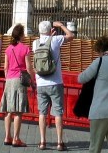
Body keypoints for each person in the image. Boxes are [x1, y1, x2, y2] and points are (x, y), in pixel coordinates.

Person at [32, 19, 74, 150]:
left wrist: (50, 35)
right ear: (50, 30)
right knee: (58, 113)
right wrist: (61, 25)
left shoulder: (35, 43)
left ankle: (42, 141)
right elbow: (71, 36)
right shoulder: (56, 40)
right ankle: (59, 142)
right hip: (55, 82)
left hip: (40, 82)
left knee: (42, 113)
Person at [0, 23, 30, 147]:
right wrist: (32, 80)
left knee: (8, 110)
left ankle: (7, 136)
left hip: (9, 79)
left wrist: (7, 77)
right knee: (18, 111)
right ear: (21, 35)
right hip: (19, 80)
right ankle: (16, 138)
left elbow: (5, 67)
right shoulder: (25, 48)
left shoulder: (8, 49)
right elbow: (28, 67)